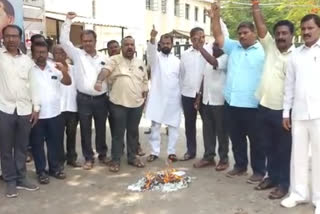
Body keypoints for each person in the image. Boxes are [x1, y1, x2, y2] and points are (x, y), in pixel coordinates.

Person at [210, 1, 266, 183]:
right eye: (240, 33)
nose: (242, 36)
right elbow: (218, 35)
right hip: (232, 104)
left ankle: (259, 171)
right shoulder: (234, 47)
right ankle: (240, 166)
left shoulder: (264, 50)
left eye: (245, 33)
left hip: (253, 105)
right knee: (237, 138)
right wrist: (215, 16)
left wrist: (255, 8)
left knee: (256, 141)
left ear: (254, 33)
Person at [251, 0, 294, 199]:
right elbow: (261, 28)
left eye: (285, 33)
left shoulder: (297, 57)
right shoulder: (270, 48)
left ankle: (284, 184)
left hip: (284, 112)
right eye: (278, 33)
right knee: (267, 146)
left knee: (283, 150)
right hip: (264, 107)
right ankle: (272, 176)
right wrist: (256, 6)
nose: (280, 36)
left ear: (292, 36)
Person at [281, 14, 320, 213]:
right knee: (298, 156)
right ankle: (298, 193)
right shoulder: (295, 54)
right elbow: (289, 86)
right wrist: (285, 113)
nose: (306, 32)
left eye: (310, 28)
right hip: (298, 114)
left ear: (318, 29)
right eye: (303, 28)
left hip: (319, 114)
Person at [60, 12, 109, 170]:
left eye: (90, 41)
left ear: (95, 41)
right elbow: (63, 41)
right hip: (83, 99)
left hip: (101, 100)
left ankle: (102, 154)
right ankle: (89, 158)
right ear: (81, 42)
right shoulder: (77, 54)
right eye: (85, 41)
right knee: (86, 130)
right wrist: (68, 21)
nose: (87, 43)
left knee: (101, 128)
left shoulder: (104, 58)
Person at [94, 36, 148, 173]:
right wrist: (99, 81)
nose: (129, 47)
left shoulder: (140, 62)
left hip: (136, 105)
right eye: (126, 45)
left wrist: (145, 95)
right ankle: (116, 160)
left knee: (133, 133)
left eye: (132, 44)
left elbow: (145, 81)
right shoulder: (114, 60)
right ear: (122, 47)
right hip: (118, 103)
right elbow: (105, 71)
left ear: (135, 47)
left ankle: (132, 157)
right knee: (118, 134)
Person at [0, 25, 39, 198]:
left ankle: (21, 178)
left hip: (24, 110)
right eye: (8, 36)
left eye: (15, 36)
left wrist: (36, 108)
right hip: (4, 109)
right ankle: (10, 180)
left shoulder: (27, 61)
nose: (11, 39)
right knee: (6, 148)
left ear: (20, 39)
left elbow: (34, 86)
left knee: (22, 147)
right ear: (3, 38)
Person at [30, 41, 71, 184]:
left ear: (48, 53)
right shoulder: (29, 69)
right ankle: (41, 171)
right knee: (37, 145)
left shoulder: (54, 68)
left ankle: (55, 168)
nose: (41, 55)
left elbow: (67, 82)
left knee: (55, 143)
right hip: (36, 116)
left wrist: (64, 71)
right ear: (33, 53)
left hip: (55, 114)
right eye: (38, 52)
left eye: (43, 52)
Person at [145, 26, 181, 162]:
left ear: (172, 45)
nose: (166, 45)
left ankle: (171, 152)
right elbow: (151, 52)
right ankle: (154, 152)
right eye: (164, 43)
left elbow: (181, 79)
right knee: (155, 126)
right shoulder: (155, 59)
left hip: (173, 98)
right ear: (160, 44)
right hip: (157, 97)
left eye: (168, 43)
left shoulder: (177, 61)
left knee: (173, 127)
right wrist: (153, 38)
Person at [193, 42, 229, 171]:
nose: (215, 47)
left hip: (219, 101)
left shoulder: (225, 58)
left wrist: (200, 48)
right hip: (207, 100)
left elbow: (214, 62)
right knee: (208, 131)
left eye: (218, 45)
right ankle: (209, 157)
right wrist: (199, 97)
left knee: (222, 132)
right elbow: (204, 78)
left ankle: (224, 159)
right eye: (214, 45)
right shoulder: (207, 58)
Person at [179, 27, 207, 161]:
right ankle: (191, 151)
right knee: (189, 125)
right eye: (197, 37)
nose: (200, 40)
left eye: (203, 37)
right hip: (187, 94)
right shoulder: (185, 55)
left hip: (204, 95)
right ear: (191, 39)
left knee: (208, 125)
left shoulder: (209, 51)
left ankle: (209, 154)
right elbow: (181, 75)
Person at [52, 45, 81, 168]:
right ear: (52, 55)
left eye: (62, 52)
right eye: (56, 53)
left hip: (72, 108)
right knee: (57, 136)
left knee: (71, 135)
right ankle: (59, 160)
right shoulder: (50, 69)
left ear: (67, 54)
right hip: (57, 109)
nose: (59, 55)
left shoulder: (74, 69)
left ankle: (71, 158)